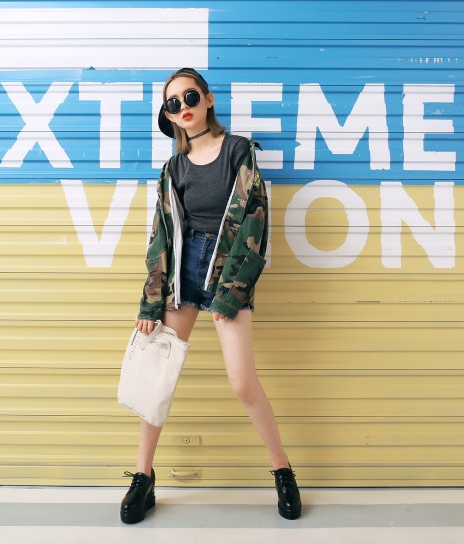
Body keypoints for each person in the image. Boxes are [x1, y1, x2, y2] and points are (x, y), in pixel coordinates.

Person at [120, 68, 301, 524]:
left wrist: (231, 290)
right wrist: (151, 301)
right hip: (183, 277)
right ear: (168, 115)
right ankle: (143, 477)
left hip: (228, 271)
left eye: (190, 97)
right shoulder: (173, 169)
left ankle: (283, 471)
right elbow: (161, 236)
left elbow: (256, 221)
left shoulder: (238, 151)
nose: (183, 107)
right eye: (173, 103)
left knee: (242, 382)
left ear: (208, 99)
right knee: (156, 377)